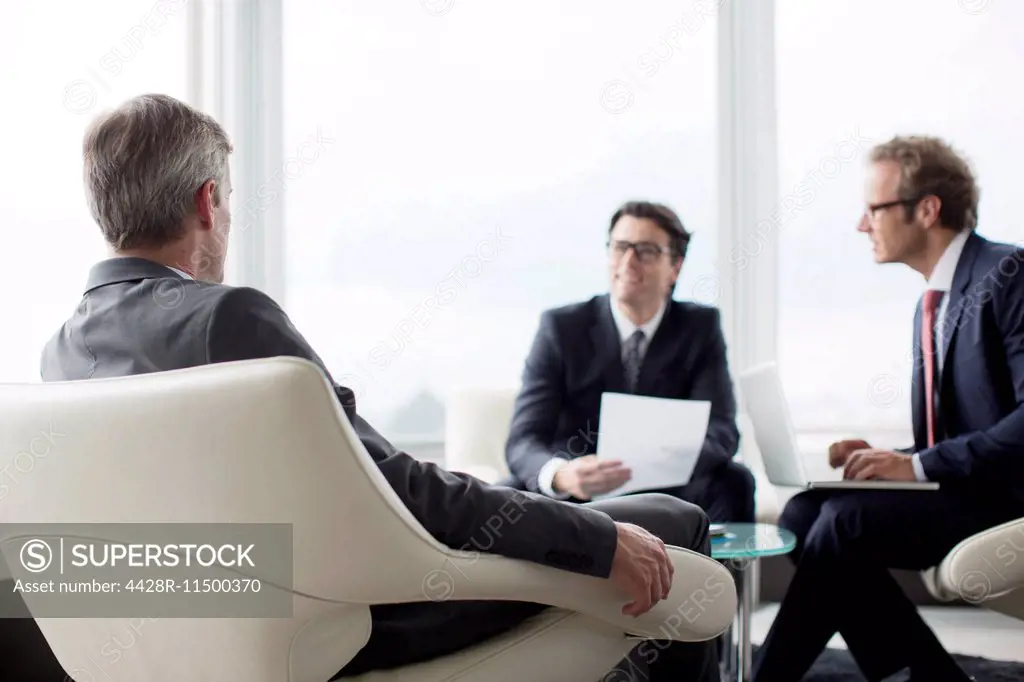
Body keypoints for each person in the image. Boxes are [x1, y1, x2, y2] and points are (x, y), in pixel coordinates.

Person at [40, 94, 721, 681]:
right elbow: (402, 492)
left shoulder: (62, 354)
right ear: (207, 202)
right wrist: (599, 542)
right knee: (670, 526)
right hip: (355, 617)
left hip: (202, 636)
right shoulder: (226, 320)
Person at [752, 135, 1024, 681]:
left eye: (873, 209)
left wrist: (918, 466)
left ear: (927, 210)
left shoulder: (1006, 273)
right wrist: (889, 459)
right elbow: (952, 436)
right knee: (805, 514)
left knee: (846, 523)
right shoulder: (933, 302)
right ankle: (928, 673)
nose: (861, 225)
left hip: (1005, 493)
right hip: (967, 486)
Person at [503, 200, 755, 523]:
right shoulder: (562, 328)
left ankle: (714, 576)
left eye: (646, 250)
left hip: (670, 491)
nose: (628, 261)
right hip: (580, 494)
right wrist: (562, 475)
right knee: (507, 494)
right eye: (620, 247)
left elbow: (721, 429)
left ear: (675, 267)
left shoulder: (699, 327)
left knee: (736, 482)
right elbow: (523, 439)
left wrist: (657, 466)